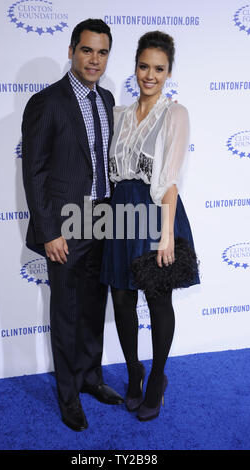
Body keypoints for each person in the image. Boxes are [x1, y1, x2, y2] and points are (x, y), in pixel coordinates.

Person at [22, 18, 124, 432]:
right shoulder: (46, 102)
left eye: (102, 52)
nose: (94, 59)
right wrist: (49, 230)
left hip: (101, 218)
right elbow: (35, 173)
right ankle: (68, 397)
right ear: (71, 50)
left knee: (92, 307)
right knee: (65, 312)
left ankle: (89, 378)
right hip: (64, 224)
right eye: (87, 50)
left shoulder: (107, 100)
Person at [100, 31, 200, 422]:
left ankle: (157, 378)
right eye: (144, 66)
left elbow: (170, 178)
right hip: (120, 213)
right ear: (135, 67)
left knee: (158, 300)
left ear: (169, 72)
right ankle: (134, 373)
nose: (150, 75)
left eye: (159, 69)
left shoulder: (175, 113)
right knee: (122, 300)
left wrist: (166, 235)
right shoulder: (120, 115)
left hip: (156, 209)